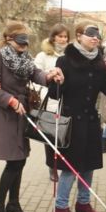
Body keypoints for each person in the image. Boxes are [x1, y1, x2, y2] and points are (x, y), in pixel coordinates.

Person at [0, 22, 63, 212]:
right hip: (4, 115)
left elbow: (35, 74)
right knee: (15, 161)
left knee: (19, 158)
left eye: (26, 41)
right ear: (9, 39)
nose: (24, 45)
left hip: (22, 112)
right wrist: (10, 100)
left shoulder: (24, 58)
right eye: (20, 40)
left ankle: (14, 204)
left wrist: (49, 75)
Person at [47, 23, 106, 212]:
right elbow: (54, 95)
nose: (95, 38)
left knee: (89, 165)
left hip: (90, 121)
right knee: (71, 166)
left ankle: (83, 203)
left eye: (97, 35)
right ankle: (60, 207)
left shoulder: (99, 63)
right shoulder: (65, 60)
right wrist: (54, 81)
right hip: (71, 121)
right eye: (90, 34)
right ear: (79, 36)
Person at [34, 23, 70, 182]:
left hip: (66, 102)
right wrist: (50, 76)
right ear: (53, 37)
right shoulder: (43, 55)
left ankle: (64, 165)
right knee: (50, 137)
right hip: (49, 101)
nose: (63, 39)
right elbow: (35, 75)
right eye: (60, 36)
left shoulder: (70, 55)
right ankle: (52, 167)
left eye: (65, 37)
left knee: (64, 135)